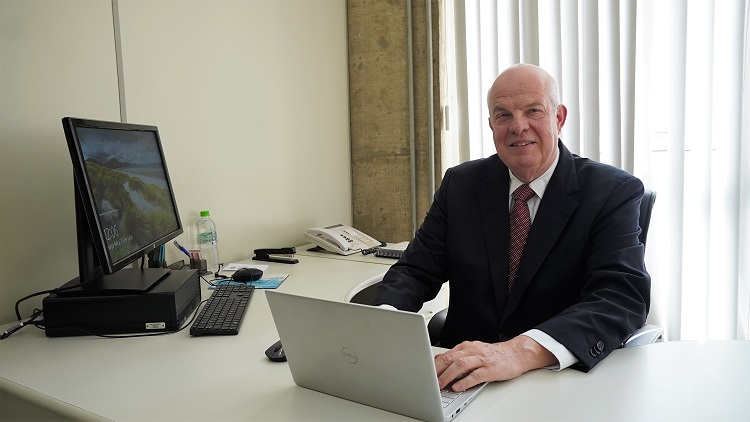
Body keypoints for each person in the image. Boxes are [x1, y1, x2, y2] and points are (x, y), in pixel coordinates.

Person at [373, 63, 651, 392]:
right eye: (503, 115)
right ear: (491, 125)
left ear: (559, 118)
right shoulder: (461, 184)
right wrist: (384, 321)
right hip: (458, 377)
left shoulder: (611, 191)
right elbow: (416, 270)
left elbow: (619, 297)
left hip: (555, 380)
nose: (518, 126)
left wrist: (518, 351)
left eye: (533, 111)